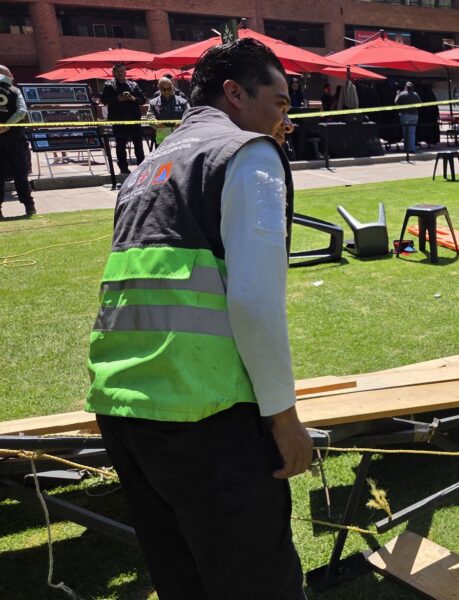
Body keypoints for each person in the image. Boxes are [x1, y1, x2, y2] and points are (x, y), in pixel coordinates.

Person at [86, 38, 308, 600]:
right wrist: (284, 419)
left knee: (184, 579)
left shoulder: (146, 167)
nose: (285, 120)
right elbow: (255, 303)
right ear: (235, 93)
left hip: (125, 411)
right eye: (279, 103)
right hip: (206, 415)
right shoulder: (245, 152)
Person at [0, 65, 35, 218]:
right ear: (8, 76)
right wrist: (7, 125)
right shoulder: (15, 91)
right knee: (20, 173)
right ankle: (29, 206)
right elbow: (22, 111)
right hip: (15, 138)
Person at [100, 63, 146, 175]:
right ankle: (123, 168)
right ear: (113, 73)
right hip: (119, 120)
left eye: (122, 71)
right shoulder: (109, 85)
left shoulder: (133, 85)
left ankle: (142, 167)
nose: (120, 74)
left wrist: (133, 98)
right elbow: (104, 100)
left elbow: (143, 100)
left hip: (134, 119)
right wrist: (117, 99)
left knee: (138, 145)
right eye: (117, 72)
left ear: (125, 72)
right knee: (120, 146)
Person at [147, 76, 189, 145]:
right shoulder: (153, 103)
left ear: (172, 86)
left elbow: (189, 115)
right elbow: (150, 116)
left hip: (180, 138)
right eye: (163, 89)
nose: (166, 91)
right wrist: (155, 122)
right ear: (159, 88)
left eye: (169, 89)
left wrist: (182, 122)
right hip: (162, 141)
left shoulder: (183, 101)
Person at [394, 81, 421, 153]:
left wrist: (397, 94)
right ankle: (411, 148)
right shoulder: (415, 94)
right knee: (412, 132)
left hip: (405, 115)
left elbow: (396, 102)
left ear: (405, 87)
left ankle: (407, 148)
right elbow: (420, 103)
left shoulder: (402, 94)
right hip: (415, 115)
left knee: (405, 132)